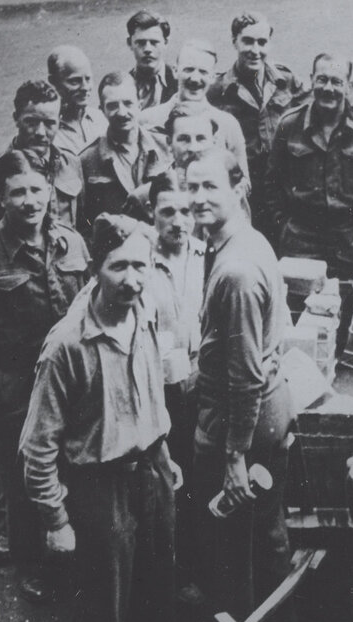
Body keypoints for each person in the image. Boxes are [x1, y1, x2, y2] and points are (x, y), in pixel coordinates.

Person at [19, 214, 200, 622]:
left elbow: (151, 394)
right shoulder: (67, 345)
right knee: (102, 616)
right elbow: (37, 447)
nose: (133, 278)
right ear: (95, 270)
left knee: (155, 588)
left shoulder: (142, 312)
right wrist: (56, 518)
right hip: (98, 488)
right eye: (119, 266)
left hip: (149, 472)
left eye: (141, 265)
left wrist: (164, 455)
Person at [0, 151, 90, 604]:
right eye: (17, 192)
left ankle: (74, 556)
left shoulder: (72, 243)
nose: (29, 201)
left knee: (73, 468)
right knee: (25, 479)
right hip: (18, 387)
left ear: (50, 190)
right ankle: (34, 567)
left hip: (70, 383)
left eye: (36, 189)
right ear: (0, 197)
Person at [186, 147, 299, 622]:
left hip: (239, 428)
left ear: (239, 188)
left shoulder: (234, 270)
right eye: (191, 187)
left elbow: (246, 376)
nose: (197, 198)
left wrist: (233, 455)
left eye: (210, 187)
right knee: (266, 537)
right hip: (266, 420)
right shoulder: (248, 243)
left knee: (228, 547)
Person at [266, 52, 353, 348]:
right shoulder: (289, 125)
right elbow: (271, 185)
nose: (328, 88)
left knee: (351, 325)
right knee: (299, 325)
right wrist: (284, 226)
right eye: (322, 79)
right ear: (311, 81)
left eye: (337, 81)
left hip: (352, 240)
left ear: (349, 86)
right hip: (301, 240)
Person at [142, 172, 206, 586]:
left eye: (186, 211)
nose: (179, 221)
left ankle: (196, 566)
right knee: (164, 484)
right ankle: (166, 573)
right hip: (157, 391)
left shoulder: (208, 254)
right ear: (152, 213)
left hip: (202, 387)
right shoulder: (141, 262)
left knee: (200, 480)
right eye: (168, 212)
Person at [207, 11, 304, 242]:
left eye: (262, 42)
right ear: (234, 42)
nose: (255, 50)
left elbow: (307, 118)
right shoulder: (218, 90)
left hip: (283, 188)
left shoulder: (286, 81)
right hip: (244, 190)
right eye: (247, 41)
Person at [0, 80, 83, 243]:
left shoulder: (71, 164)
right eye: (31, 122)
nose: (40, 132)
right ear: (16, 119)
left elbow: (82, 227)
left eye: (49, 123)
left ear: (60, 121)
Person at [138, 39, 249, 181]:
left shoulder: (228, 124)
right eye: (188, 69)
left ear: (213, 77)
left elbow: (242, 186)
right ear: (175, 71)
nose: (195, 78)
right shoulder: (146, 120)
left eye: (203, 72)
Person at [79, 72, 171, 238]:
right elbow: (82, 224)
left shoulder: (166, 147)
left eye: (128, 103)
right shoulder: (87, 160)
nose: (122, 112)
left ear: (140, 104)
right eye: (112, 105)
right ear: (102, 110)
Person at [47, 45, 108, 155]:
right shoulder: (45, 130)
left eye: (88, 79)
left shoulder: (102, 119)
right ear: (53, 82)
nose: (85, 88)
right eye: (75, 81)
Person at [126, 9, 178, 110]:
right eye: (141, 43)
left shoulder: (179, 82)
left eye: (154, 42)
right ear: (129, 43)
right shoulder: (122, 85)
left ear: (165, 43)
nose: (147, 49)